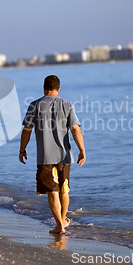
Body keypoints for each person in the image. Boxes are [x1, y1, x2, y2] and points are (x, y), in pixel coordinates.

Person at [19, 75, 86, 234]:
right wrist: (82, 150)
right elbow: (75, 129)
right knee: (64, 190)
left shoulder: (34, 106)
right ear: (59, 88)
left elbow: (27, 130)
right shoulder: (67, 104)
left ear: (44, 88)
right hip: (65, 156)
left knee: (52, 192)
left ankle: (60, 225)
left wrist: (22, 149)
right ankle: (62, 221)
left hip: (45, 157)